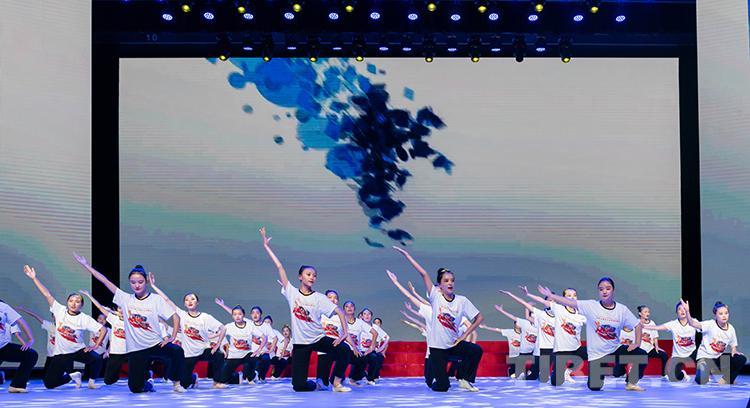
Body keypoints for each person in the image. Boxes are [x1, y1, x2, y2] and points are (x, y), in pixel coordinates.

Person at [74, 253, 186, 393]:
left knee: (177, 351)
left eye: (140, 282)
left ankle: (176, 383)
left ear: (145, 282)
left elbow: (175, 317)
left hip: (154, 344)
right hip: (136, 349)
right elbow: (104, 281)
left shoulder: (156, 300)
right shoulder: (125, 298)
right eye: (133, 282)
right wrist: (86, 265)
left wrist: (172, 337)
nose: (137, 285)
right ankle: (148, 385)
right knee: (135, 388)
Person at [259, 227, 352, 392]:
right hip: (300, 344)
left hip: (318, 338)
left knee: (344, 350)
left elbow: (340, 311)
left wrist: (345, 333)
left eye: (314, 275)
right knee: (299, 386)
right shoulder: (292, 293)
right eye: (308, 274)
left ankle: (337, 383)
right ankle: (315, 384)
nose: (312, 277)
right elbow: (280, 268)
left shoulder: (319, 298)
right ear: (300, 277)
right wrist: (266, 246)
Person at [393, 246, 483, 392]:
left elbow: (479, 318)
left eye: (452, 280)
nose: (450, 283)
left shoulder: (462, 301)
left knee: (476, 350)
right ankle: (439, 381)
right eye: (446, 281)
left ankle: (463, 379)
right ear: (440, 286)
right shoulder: (435, 298)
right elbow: (423, 274)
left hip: (453, 345)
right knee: (443, 387)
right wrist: (406, 254)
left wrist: (464, 336)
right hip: (437, 349)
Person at [538, 277, 648, 391]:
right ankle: (615, 370)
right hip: (597, 355)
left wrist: (637, 343)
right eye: (601, 289)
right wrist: (551, 296)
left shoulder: (622, 310)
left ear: (613, 290)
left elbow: (637, 325)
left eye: (608, 288)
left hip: (615, 350)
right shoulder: (590, 306)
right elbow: (570, 302)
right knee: (595, 386)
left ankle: (631, 382)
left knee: (641, 354)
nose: (604, 291)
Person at [23, 264, 104, 390]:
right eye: (71, 301)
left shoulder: (84, 318)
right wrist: (34, 278)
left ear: (81, 305)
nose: (73, 303)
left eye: (77, 301)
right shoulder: (59, 310)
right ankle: (72, 376)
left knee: (97, 359)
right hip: (61, 354)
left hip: (78, 351)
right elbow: (47, 294)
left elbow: (103, 329)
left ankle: (92, 382)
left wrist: (96, 345)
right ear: (67, 302)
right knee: (49, 384)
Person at [149, 273, 226, 389]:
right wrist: (153, 285)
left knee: (219, 355)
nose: (190, 301)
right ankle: (193, 378)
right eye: (187, 300)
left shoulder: (205, 317)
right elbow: (166, 300)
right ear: (184, 304)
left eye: (193, 299)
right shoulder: (182, 315)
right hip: (189, 354)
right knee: (184, 384)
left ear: (197, 302)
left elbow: (223, 328)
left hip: (203, 350)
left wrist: (217, 345)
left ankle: (217, 382)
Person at [520, 286, 587, 385]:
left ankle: (567, 372)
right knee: (555, 382)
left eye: (574, 295)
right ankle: (550, 374)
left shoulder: (581, 314)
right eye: (569, 295)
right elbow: (542, 301)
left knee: (591, 352)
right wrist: (528, 294)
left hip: (575, 348)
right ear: (564, 298)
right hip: (561, 350)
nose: (572, 297)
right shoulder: (558, 310)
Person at [681, 299, 746, 385]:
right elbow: (692, 323)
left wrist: (734, 350)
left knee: (741, 358)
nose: (724, 316)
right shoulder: (710, 324)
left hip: (718, 359)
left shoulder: (731, 329)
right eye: (721, 314)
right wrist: (687, 311)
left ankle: (727, 380)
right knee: (701, 380)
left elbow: (733, 345)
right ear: (715, 315)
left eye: (726, 313)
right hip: (705, 358)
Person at [500, 289, 555, 382]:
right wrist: (511, 294)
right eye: (550, 300)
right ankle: (523, 375)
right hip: (540, 350)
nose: (552, 303)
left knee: (545, 376)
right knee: (533, 376)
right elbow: (525, 307)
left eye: (554, 301)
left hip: (553, 349)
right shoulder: (541, 315)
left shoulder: (560, 315)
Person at [78, 290, 128, 386]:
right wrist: (89, 295)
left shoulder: (131, 320)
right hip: (115, 353)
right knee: (108, 381)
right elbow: (99, 307)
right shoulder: (113, 319)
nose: (121, 310)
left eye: (124, 308)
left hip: (128, 353)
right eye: (119, 308)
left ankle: (146, 375)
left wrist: (112, 311)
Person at [642, 301, 699, 382]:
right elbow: (658, 327)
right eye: (680, 309)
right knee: (674, 377)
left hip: (692, 352)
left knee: (702, 355)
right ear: (676, 312)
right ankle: (683, 374)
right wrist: (643, 326)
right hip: (678, 355)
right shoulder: (673, 324)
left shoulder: (693, 321)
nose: (682, 311)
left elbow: (703, 328)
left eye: (684, 309)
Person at [219, 304, 266, 385]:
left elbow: (264, 338)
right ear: (232, 316)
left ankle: (252, 376)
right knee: (223, 379)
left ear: (243, 315)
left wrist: (258, 350)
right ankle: (238, 378)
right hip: (233, 356)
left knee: (252, 358)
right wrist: (222, 347)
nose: (237, 316)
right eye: (235, 314)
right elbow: (219, 335)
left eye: (240, 314)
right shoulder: (229, 326)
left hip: (246, 355)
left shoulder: (250, 325)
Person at [0, 299, 37, 393]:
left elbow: (20, 320)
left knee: (31, 354)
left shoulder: (3, 306)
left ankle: (17, 385)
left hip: (2, 347)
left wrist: (30, 339)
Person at [493, 304, 536, 380]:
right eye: (532, 315)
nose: (534, 317)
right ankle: (516, 372)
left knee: (541, 357)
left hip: (534, 351)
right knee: (519, 374)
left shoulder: (539, 325)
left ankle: (531, 372)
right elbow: (513, 317)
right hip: (524, 351)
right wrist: (501, 310)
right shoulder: (524, 323)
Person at [346, 305, 378, 386]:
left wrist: (372, 347)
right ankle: (336, 379)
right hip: (345, 348)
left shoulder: (361, 323)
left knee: (367, 358)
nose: (367, 316)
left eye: (369, 314)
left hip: (359, 350)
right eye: (365, 314)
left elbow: (376, 333)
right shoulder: (341, 320)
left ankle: (361, 379)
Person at [635, 305, 668, 378]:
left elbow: (655, 336)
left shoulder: (652, 323)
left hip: (650, 349)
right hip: (640, 350)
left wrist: (657, 347)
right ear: (640, 313)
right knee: (640, 374)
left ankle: (664, 374)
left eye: (648, 312)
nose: (647, 313)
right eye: (645, 312)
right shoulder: (636, 322)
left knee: (664, 355)